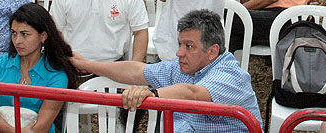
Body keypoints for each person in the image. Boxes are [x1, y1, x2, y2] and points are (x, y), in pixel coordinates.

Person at [71, 9, 262, 131]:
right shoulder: (181, 68)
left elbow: (192, 93)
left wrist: (151, 95)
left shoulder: (230, 75)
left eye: (189, 46)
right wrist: (87, 65)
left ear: (212, 51)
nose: (179, 53)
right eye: (180, 44)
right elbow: (136, 71)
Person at [0, 3, 77, 133]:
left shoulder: (56, 75)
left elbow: (42, 127)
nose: (17, 41)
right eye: (14, 33)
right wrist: (12, 131)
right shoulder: (0, 63)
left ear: (42, 36)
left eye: (24, 34)